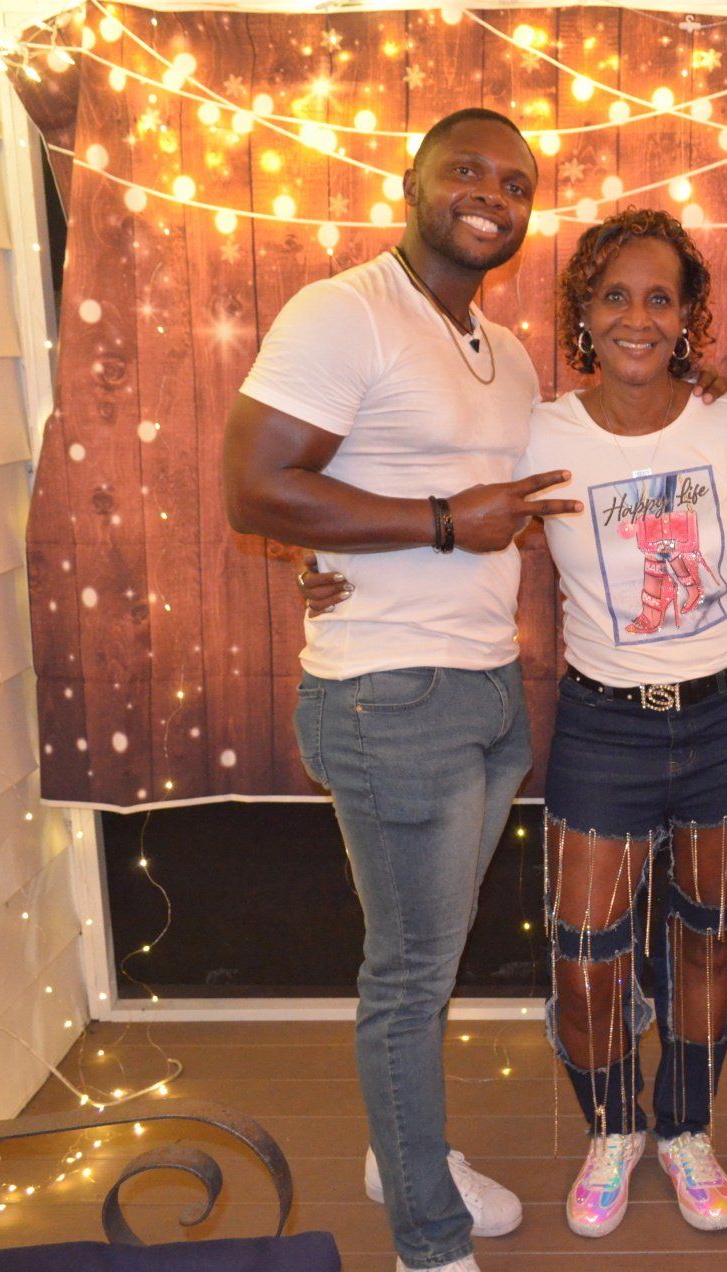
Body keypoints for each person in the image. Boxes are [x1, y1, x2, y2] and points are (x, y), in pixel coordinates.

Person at [303, 209, 727, 1241]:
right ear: (584, 313)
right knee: (585, 954)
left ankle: (686, 1128)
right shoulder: (540, 429)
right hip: (606, 726)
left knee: (709, 943)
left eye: (661, 298)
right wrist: (328, 560)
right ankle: (614, 1129)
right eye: (615, 296)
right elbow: (424, 490)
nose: (638, 317)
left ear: (689, 317)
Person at [222, 108, 570, 1272]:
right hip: (388, 698)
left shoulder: (505, 351)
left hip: (486, 692)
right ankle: (427, 1237)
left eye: (515, 183)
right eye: (466, 170)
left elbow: (466, 496)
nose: (492, 195)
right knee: (411, 977)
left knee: (432, 958)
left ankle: (402, 1152)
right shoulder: (344, 312)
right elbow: (253, 487)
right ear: (409, 184)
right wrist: (438, 522)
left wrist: (357, 544)